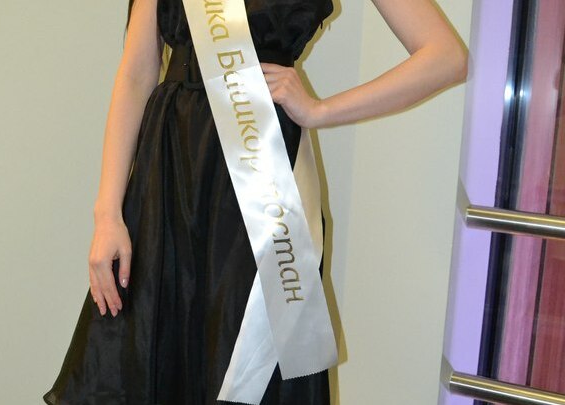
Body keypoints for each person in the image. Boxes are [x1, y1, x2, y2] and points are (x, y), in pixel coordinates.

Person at [43, 0, 467, 404]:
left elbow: (445, 56)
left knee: (249, 362)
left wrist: (320, 110)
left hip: (261, 190)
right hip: (167, 180)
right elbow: (137, 73)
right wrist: (107, 214)